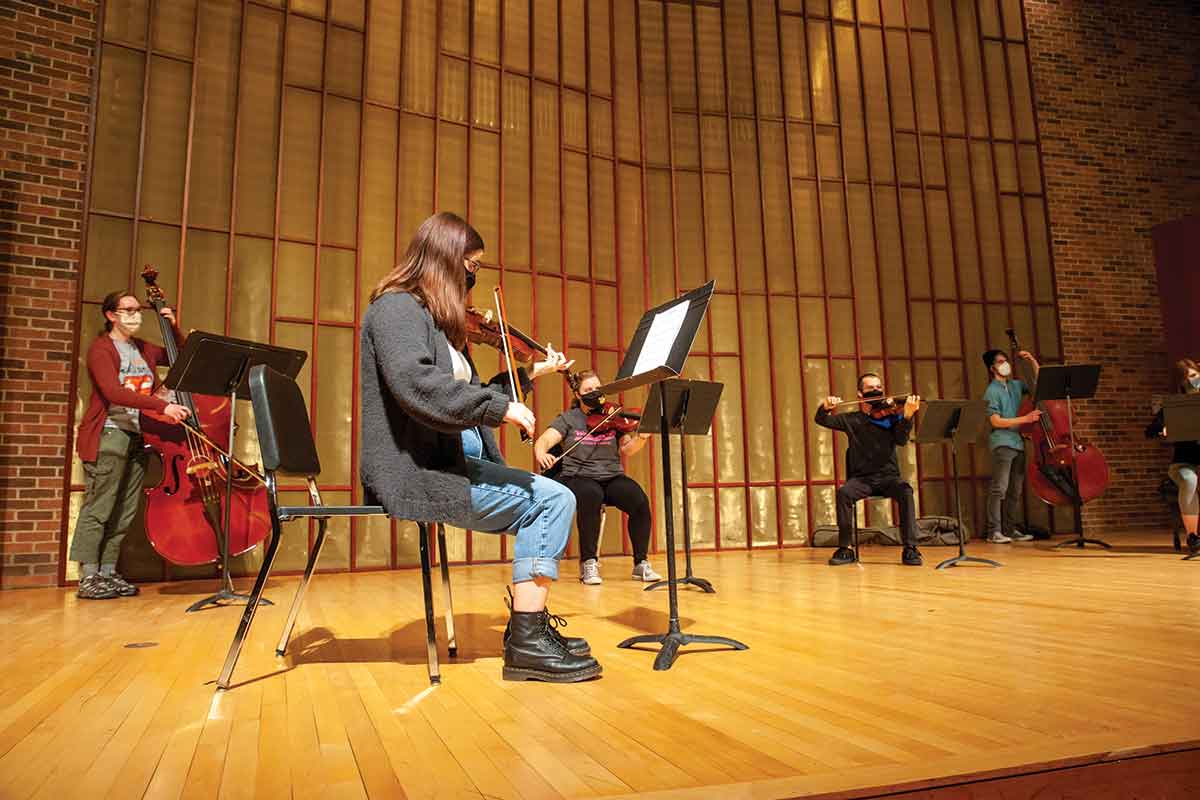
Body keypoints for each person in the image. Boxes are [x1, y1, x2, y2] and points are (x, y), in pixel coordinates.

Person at [359, 211, 600, 683]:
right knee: (554, 501)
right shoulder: (396, 309)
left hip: (457, 463)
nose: (474, 278)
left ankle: (526, 633)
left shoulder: (439, 323)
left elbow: (472, 397)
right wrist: (499, 409)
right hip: (425, 470)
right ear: (446, 260)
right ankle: (527, 643)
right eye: (471, 265)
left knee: (554, 497)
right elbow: (417, 385)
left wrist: (524, 381)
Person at [70, 292, 191, 599]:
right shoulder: (101, 349)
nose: (135, 315)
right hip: (109, 434)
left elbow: (181, 356)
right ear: (111, 315)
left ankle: (108, 572)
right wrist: (161, 406)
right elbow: (114, 392)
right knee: (101, 506)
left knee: (124, 509)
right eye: (128, 310)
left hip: (138, 435)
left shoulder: (142, 348)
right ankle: (88, 576)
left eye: (138, 310)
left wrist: (173, 327)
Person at [533, 371, 661, 585]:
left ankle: (641, 563)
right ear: (577, 393)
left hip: (611, 476)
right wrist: (541, 454)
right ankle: (588, 562)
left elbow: (628, 449)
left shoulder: (614, 416)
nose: (594, 393)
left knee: (638, 499)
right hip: (577, 476)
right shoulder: (569, 419)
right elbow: (544, 440)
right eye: (588, 390)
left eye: (597, 389)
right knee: (590, 495)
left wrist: (642, 437)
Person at [815, 373, 923, 566]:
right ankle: (845, 548)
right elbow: (822, 420)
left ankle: (910, 549)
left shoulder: (892, 417)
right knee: (844, 493)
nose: (877, 391)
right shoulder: (851, 420)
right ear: (860, 394)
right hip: (862, 479)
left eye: (879, 387)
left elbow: (901, 440)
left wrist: (907, 416)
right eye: (871, 388)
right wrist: (825, 407)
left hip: (888, 478)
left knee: (905, 491)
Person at [981, 349, 1041, 543]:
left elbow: (1038, 384)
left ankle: (1010, 529)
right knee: (1000, 488)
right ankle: (994, 531)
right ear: (992, 368)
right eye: (1000, 362)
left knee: (1015, 490)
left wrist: (1031, 360)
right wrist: (1026, 418)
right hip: (1002, 443)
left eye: (1006, 361)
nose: (1004, 364)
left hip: (1018, 443)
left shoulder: (1015, 385)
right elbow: (996, 421)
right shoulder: (991, 391)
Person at [1145, 358, 1200, 553]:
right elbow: (1150, 430)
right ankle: (1193, 537)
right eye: (1187, 379)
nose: (1192, 381)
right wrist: (1163, 429)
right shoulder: (1174, 406)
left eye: (1194, 376)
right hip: (1184, 462)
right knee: (1189, 480)